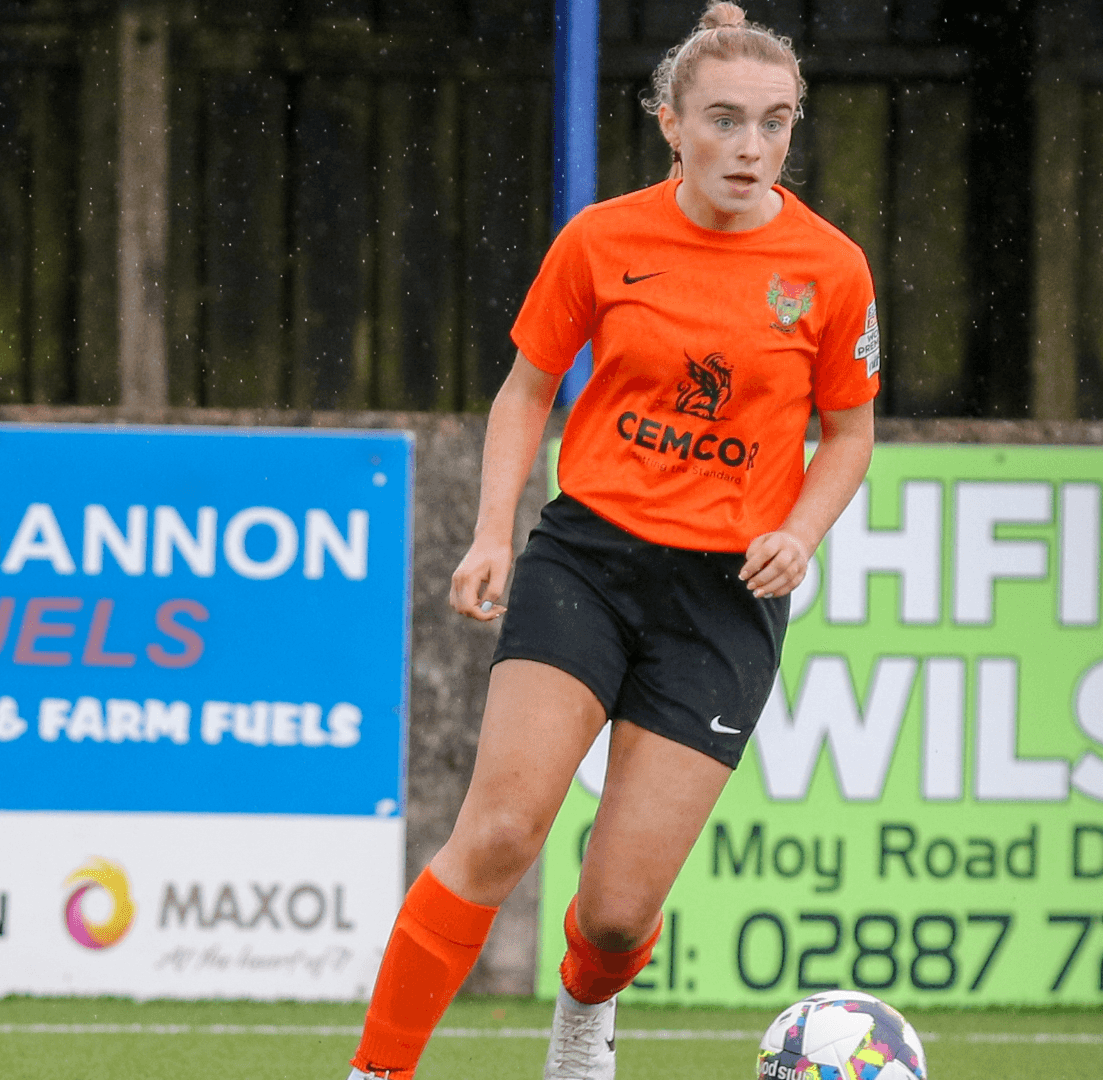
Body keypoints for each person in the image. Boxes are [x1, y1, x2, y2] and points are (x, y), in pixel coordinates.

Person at [346, 3, 879, 1077]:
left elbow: (851, 432)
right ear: (670, 125)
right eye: (724, 119)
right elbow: (526, 389)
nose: (752, 146)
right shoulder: (601, 239)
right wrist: (492, 533)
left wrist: (800, 529)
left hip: (725, 598)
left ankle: (583, 1021)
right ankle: (376, 1071)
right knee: (501, 831)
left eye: (775, 122)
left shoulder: (831, 268)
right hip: (588, 559)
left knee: (620, 915)